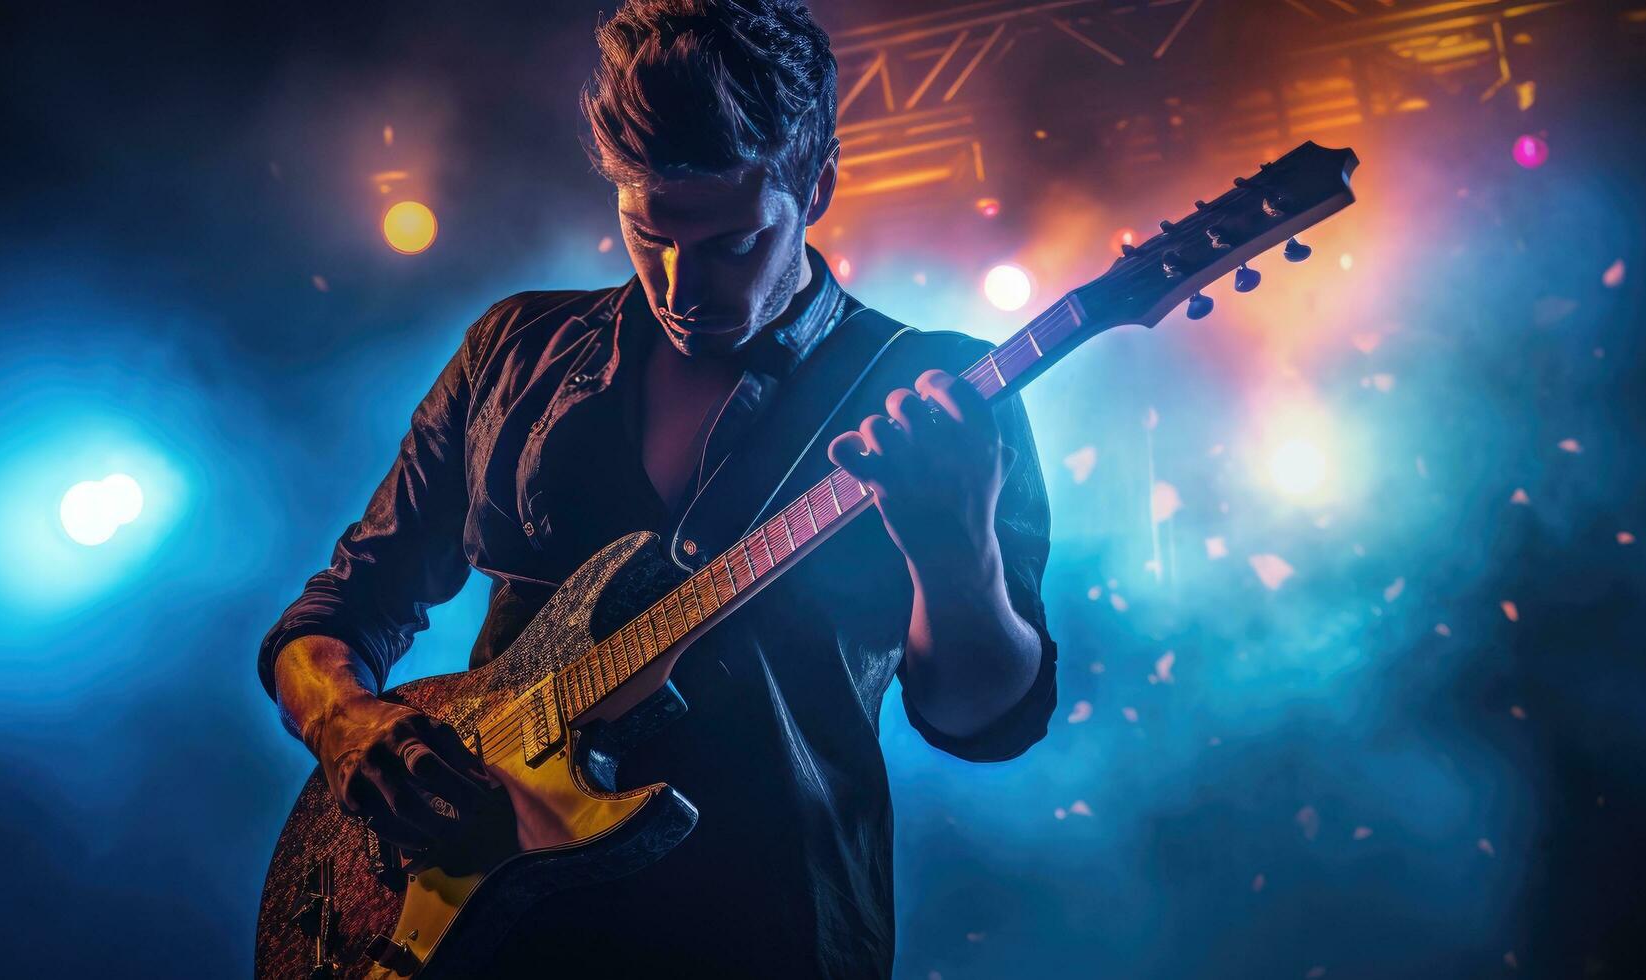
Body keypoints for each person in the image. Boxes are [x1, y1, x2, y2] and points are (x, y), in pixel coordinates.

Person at [257, 1, 1061, 975]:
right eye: (649, 233)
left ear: (816, 185)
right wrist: (344, 721)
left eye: (730, 243)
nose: (682, 287)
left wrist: (955, 549)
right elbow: (343, 605)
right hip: (474, 934)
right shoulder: (515, 348)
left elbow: (985, 718)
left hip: (763, 934)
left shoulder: (931, 390)